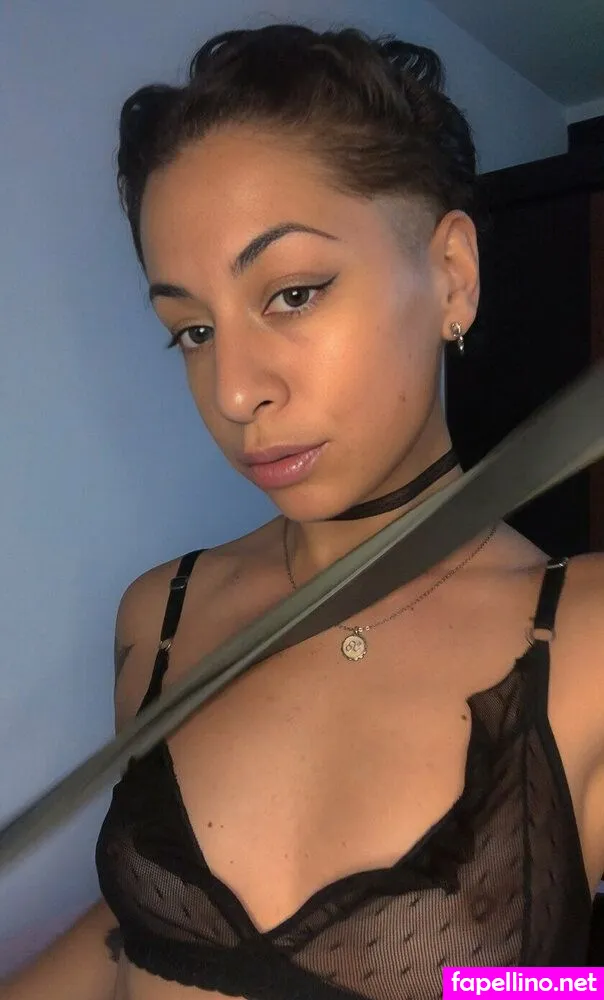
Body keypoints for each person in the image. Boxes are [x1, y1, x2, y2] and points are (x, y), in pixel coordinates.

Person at [2, 22, 603, 1000]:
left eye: (291, 293)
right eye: (192, 330)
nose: (234, 390)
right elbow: (137, 930)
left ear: (451, 277)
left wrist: (516, 990)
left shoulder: (583, 637)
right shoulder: (160, 616)